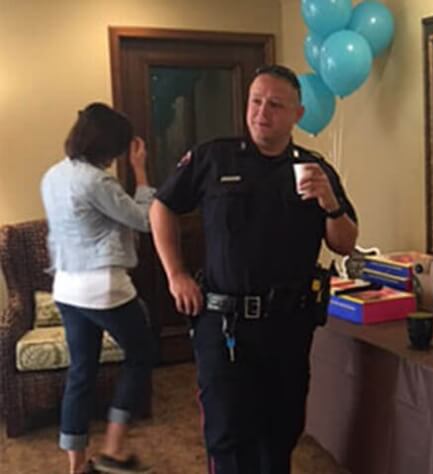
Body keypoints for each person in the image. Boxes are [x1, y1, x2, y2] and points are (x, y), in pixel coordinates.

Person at [149, 64, 358, 474]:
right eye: (255, 101)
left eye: (275, 105)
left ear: (297, 114)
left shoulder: (314, 169)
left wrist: (330, 202)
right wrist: (176, 274)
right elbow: (162, 206)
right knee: (228, 436)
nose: (262, 112)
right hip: (224, 324)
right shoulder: (214, 156)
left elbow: (344, 242)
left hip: (288, 325)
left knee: (280, 432)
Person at [40, 103, 155, 474]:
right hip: (103, 287)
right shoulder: (97, 181)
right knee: (141, 354)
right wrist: (140, 171)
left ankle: (76, 466)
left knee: (81, 372)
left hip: (66, 287)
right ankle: (114, 450)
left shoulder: (52, 176)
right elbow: (143, 220)